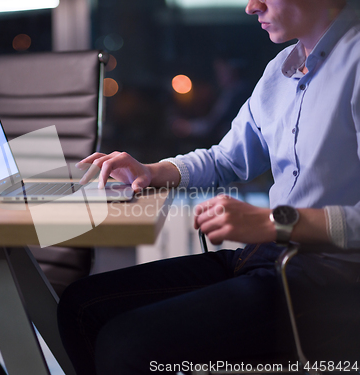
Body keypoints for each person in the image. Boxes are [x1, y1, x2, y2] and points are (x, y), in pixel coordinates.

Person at [57, 0, 360, 374]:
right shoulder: (280, 72)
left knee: (127, 346)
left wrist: (275, 222)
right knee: (80, 307)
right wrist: (151, 171)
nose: (252, 7)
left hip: (332, 279)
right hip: (267, 258)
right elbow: (225, 159)